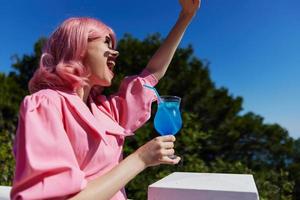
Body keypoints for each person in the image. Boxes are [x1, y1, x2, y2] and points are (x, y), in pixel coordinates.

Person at [10, 0, 201, 199]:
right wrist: (141, 159)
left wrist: (186, 16)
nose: (116, 53)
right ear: (78, 47)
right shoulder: (46, 105)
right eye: (106, 43)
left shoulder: (106, 111)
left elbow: (152, 74)